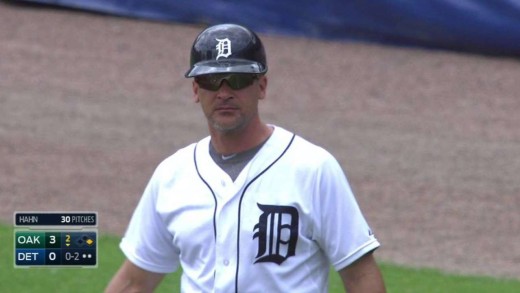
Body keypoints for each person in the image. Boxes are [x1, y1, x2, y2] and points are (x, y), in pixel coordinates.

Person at [106, 23, 386, 293]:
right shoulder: (172, 175)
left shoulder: (312, 169)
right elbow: (135, 282)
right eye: (212, 81)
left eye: (238, 80)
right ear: (196, 90)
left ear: (261, 86)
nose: (224, 93)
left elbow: (360, 274)